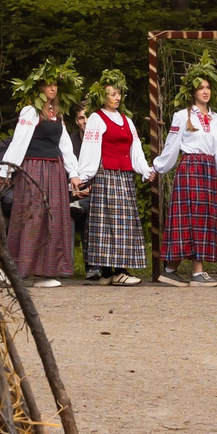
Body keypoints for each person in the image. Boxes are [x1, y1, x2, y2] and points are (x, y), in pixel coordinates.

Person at [0, 71, 81, 288]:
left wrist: (73, 173)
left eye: (55, 85)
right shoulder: (30, 111)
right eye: (48, 85)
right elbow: (19, 142)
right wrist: (6, 171)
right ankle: (16, 269)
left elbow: (65, 145)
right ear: (39, 89)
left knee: (52, 217)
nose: (53, 89)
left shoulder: (57, 113)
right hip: (34, 168)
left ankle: (45, 271)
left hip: (54, 169)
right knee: (31, 217)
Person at [74, 78, 152, 285]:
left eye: (119, 94)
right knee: (107, 222)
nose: (117, 98)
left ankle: (114, 271)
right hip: (106, 174)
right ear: (103, 96)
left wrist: (144, 169)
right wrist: (84, 175)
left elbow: (134, 147)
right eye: (112, 94)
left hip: (124, 176)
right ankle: (112, 272)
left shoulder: (126, 120)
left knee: (123, 222)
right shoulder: (97, 119)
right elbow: (90, 148)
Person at [153, 71, 217, 286]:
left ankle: (173, 269)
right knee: (188, 218)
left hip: (208, 169)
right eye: (201, 87)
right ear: (192, 91)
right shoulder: (183, 115)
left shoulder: (216, 118)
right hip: (190, 167)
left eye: (208, 87)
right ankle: (193, 272)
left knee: (204, 218)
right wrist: (158, 167)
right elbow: (172, 145)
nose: (205, 91)